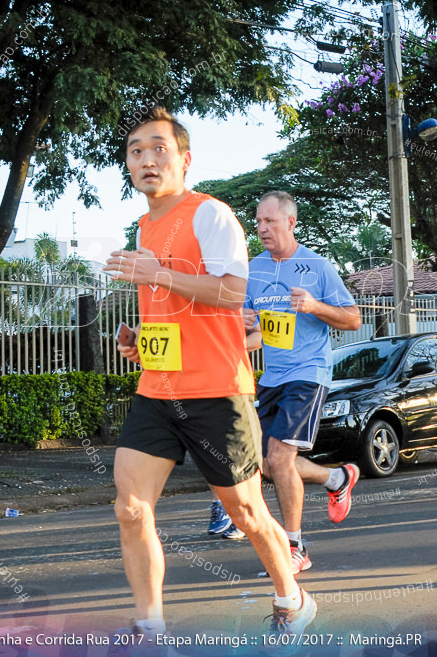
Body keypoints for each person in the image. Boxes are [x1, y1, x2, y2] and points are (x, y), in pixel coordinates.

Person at [104, 107, 315, 640]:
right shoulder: (145, 225)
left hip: (218, 390)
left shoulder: (210, 214)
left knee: (245, 511)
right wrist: (141, 343)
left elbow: (231, 292)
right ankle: (150, 629)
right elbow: (171, 311)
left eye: (159, 148)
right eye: (136, 151)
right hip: (159, 390)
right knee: (130, 508)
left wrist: (158, 271)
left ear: (184, 158)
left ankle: (292, 596)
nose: (147, 159)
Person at [243, 190, 363, 574]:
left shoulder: (317, 266)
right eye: (258, 222)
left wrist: (315, 306)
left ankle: (295, 547)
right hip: (272, 376)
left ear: (291, 223)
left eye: (270, 222)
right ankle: (336, 476)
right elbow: (260, 333)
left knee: (280, 456)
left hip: (309, 373)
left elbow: (352, 319)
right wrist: (246, 330)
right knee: (264, 463)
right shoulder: (253, 270)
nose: (262, 228)